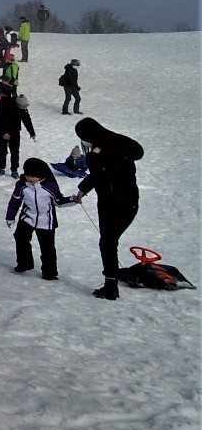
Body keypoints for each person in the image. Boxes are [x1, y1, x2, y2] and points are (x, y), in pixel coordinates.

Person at [72, 117, 144, 300]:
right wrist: (82, 190)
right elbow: (136, 152)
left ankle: (111, 286)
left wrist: (93, 157)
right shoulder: (115, 140)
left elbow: (101, 175)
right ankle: (111, 282)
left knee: (108, 242)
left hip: (114, 203)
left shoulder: (101, 152)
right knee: (109, 242)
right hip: (128, 201)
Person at [5, 158, 70, 280]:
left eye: (33, 176)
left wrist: (73, 199)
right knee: (20, 237)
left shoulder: (50, 186)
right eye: (28, 175)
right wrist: (10, 217)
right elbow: (15, 201)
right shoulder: (21, 185)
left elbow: (59, 201)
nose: (30, 179)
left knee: (47, 248)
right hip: (28, 217)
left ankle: (49, 272)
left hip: (45, 221)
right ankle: (24, 263)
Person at [0, 92, 36, 177]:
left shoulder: (23, 109)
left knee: (15, 151)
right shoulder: (4, 106)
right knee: (2, 151)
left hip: (14, 132)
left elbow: (27, 120)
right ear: (18, 104)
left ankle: (14, 170)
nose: (25, 108)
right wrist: (3, 133)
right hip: (1, 132)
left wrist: (32, 133)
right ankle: (1, 168)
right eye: (24, 106)